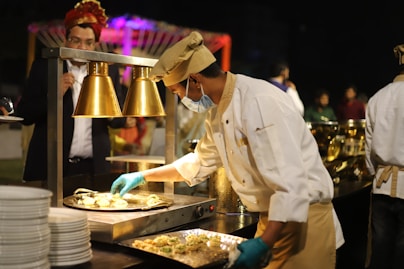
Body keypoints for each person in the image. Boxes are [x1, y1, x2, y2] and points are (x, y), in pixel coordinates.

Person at [110, 31, 344, 269]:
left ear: (194, 79)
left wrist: (264, 242)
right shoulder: (217, 111)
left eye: (176, 91)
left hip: (303, 221)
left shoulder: (258, 101)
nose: (180, 98)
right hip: (271, 220)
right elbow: (198, 162)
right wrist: (142, 176)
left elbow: (291, 184)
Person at [15, 0, 134, 181]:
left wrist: (114, 113)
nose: (82, 48)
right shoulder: (45, 67)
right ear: (66, 40)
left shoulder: (107, 72)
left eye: (88, 43)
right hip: (49, 166)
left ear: (96, 45)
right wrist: (53, 94)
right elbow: (25, 115)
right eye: (76, 41)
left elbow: (116, 121)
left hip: (94, 168)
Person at [364, 44, 404, 269]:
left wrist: (374, 172)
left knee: (380, 252)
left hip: (382, 186)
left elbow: (369, 147)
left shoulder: (377, 98)